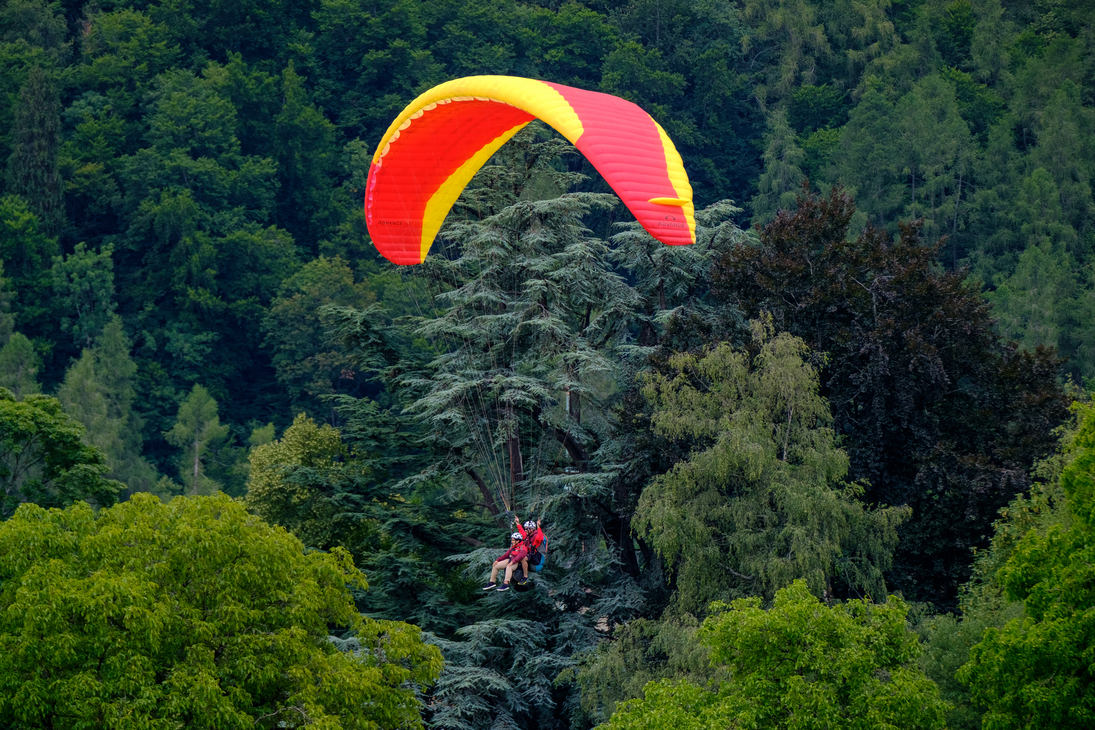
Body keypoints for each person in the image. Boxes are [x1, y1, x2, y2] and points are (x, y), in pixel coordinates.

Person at [514, 515, 544, 584]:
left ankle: (525, 576)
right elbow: (522, 532)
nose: (525, 530)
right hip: (528, 553)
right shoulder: (527, 535)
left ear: (532, 529)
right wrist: (518, 523)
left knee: (523, 558)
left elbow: (540, 538)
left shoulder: (536, 536)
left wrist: (538, 527)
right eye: (525, 528)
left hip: (534, 555)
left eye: (527, 529)